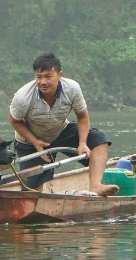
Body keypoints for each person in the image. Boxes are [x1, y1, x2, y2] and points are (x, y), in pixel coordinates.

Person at [8, 53, 118, 196]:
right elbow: (14, 120)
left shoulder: (72, 88)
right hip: (30, 139)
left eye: (48, 76)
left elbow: (82, 116)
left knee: (99, 139)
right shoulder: (23, 96)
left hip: (60, 130)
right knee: (31, 193)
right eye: (39, 77)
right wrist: (35, 142)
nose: (43, 82)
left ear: (59, 75)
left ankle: (96, 186)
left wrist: (83, 143)